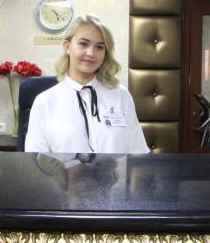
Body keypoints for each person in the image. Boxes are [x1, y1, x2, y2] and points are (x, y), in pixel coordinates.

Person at [24, 14, 150, 154]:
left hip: (114, 176)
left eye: (99, 47)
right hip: (63, 176)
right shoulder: (45, 101)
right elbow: (35, 161)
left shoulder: (121, 95)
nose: (91, 53)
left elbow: (138, 152)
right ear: (67, 47)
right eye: (83, 44)